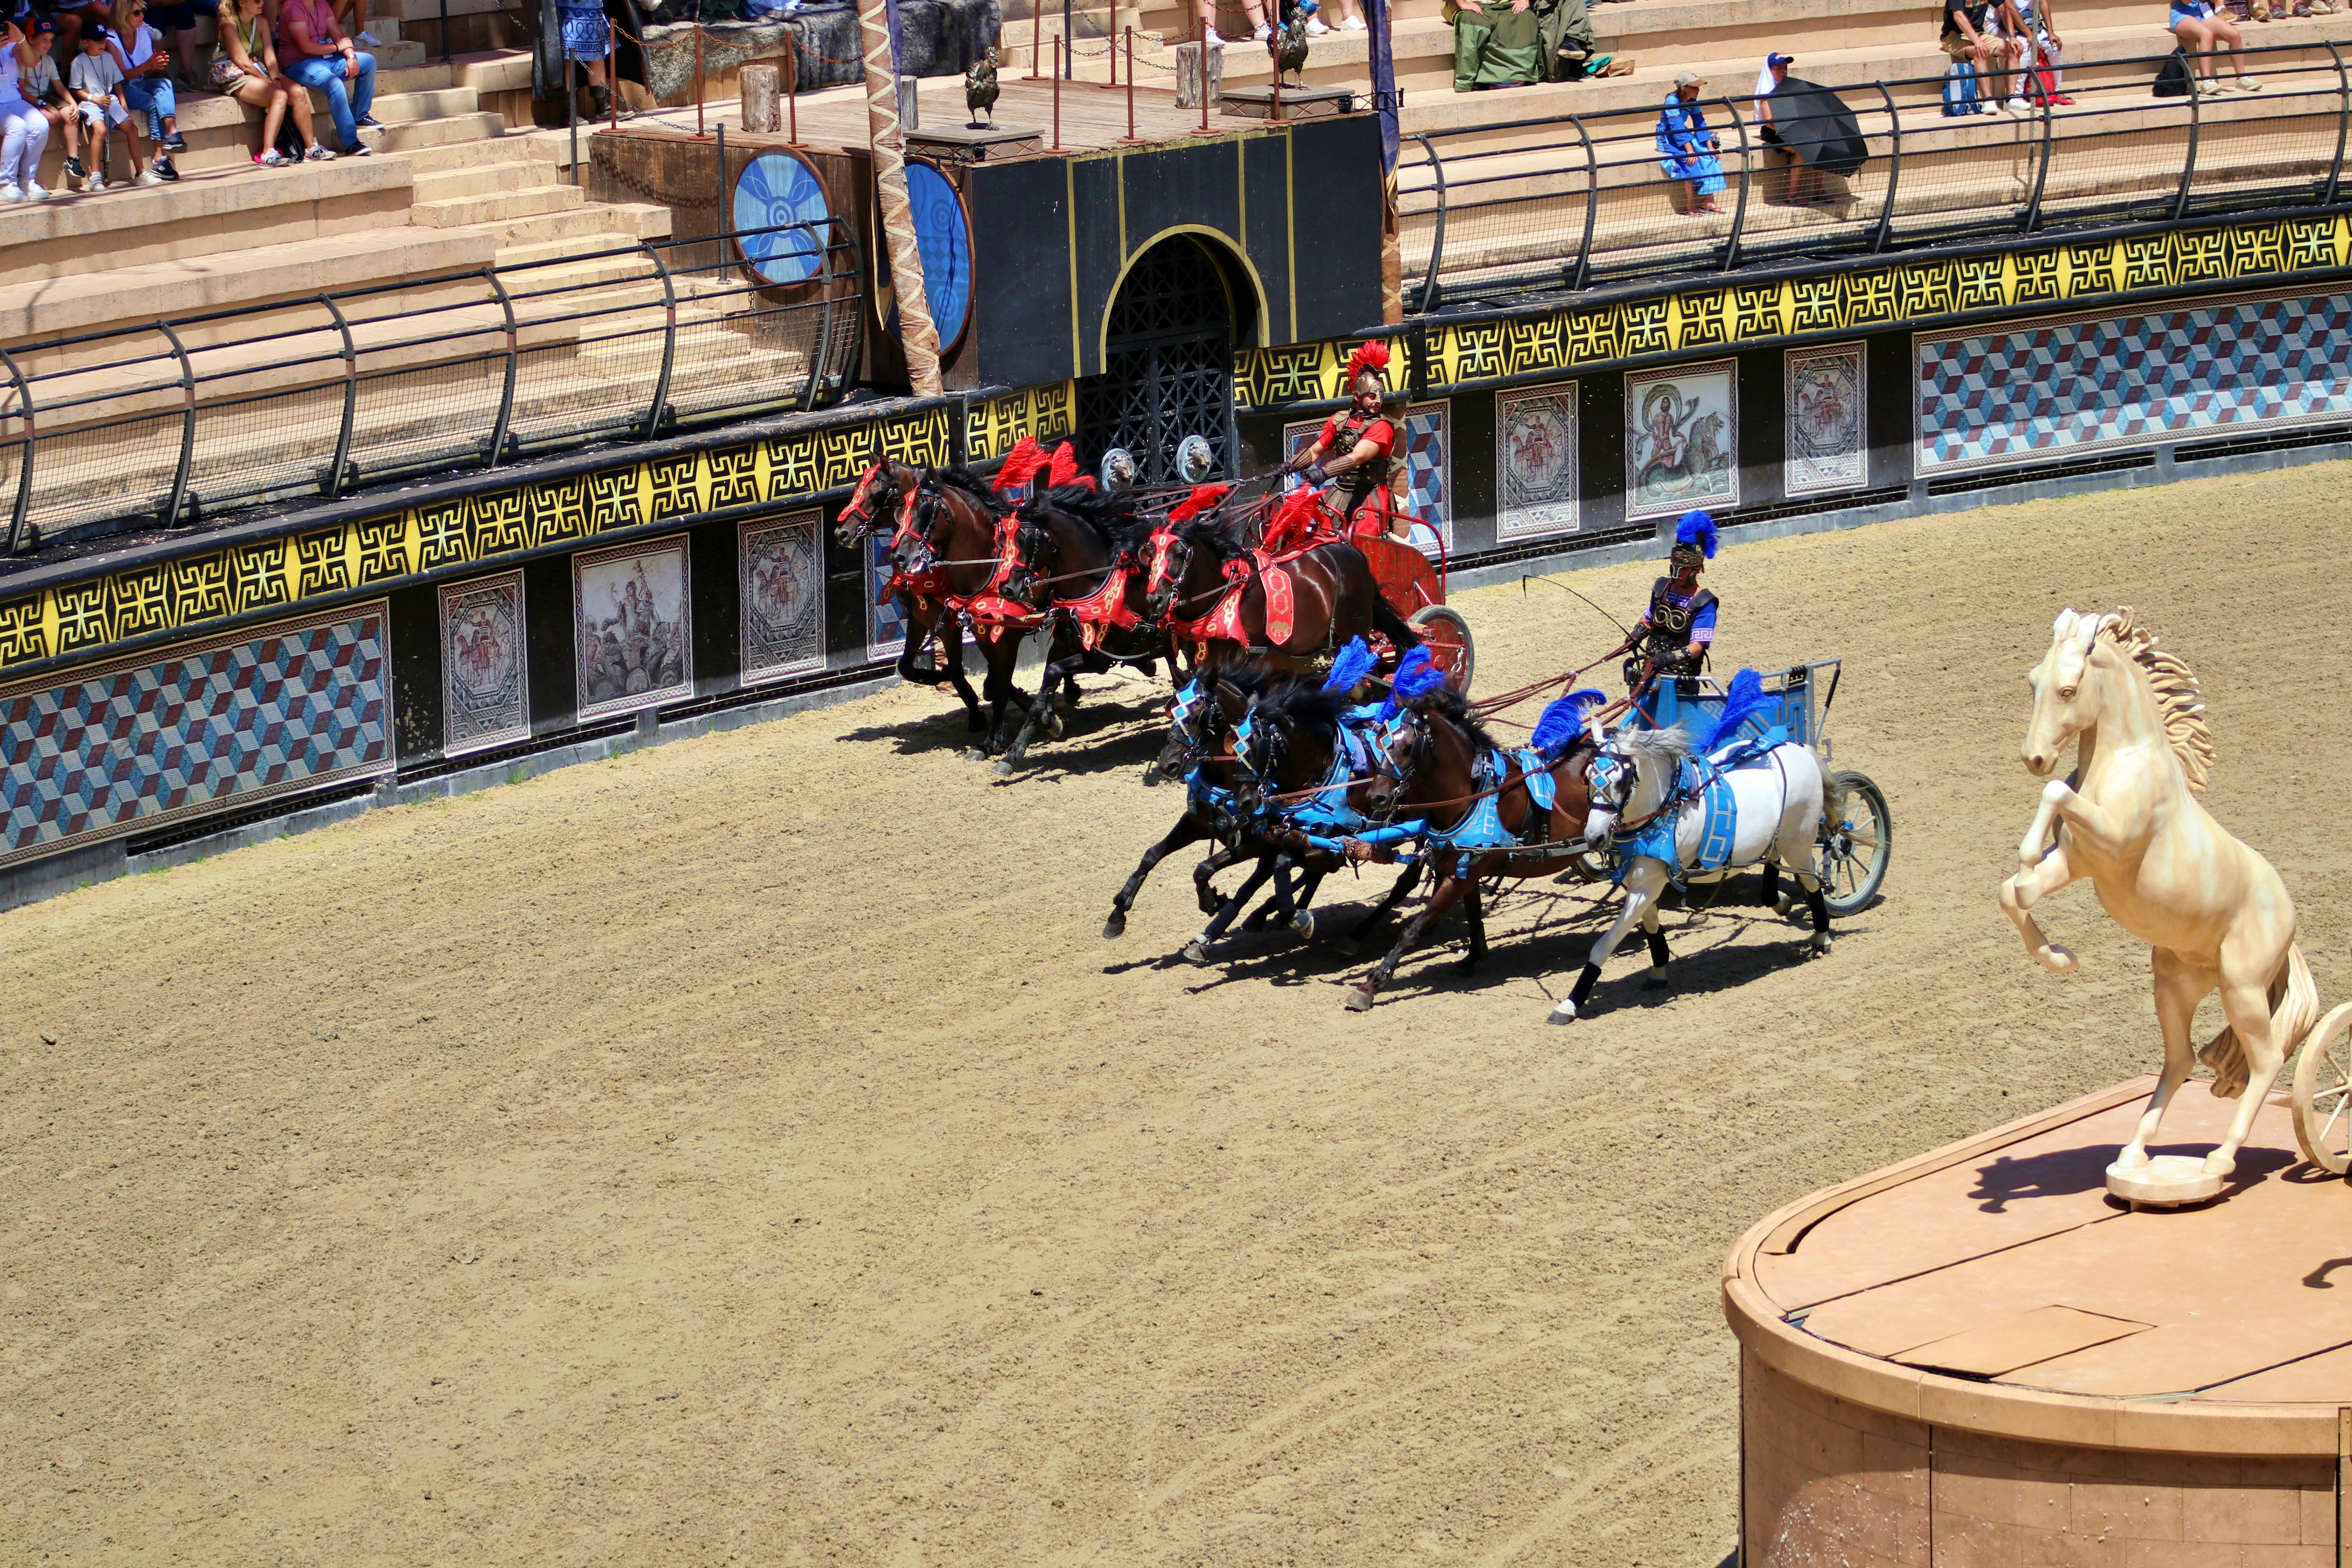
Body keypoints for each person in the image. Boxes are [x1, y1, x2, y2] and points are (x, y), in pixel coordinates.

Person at [1282, 340, 1408, 533]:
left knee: (1363, 549)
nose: (1377, 401)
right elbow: (1317, 450)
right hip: (1340, 492)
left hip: (1369, 497)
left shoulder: (1381, 426)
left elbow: (1357, 457)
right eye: (1372, 396)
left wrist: (1323, 473)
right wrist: (1291, 465)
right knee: (1324, 542)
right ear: (1358, 396)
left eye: (1380, 396)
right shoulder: (1339, 420)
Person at [1614, 510, 1719, 701]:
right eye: (1674, 567)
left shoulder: (1704, 603)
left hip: (1680, 682)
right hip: (1649, 671)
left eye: (1684, 569)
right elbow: (1649, 618)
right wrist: (1636, 634)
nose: (1677, 574)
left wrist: (1669, 658)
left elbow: (1698, 646)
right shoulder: (1662, 588)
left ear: (1697, 570)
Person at [212, 0, 327, 163]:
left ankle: (311, 148)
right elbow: (243, 62)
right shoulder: (229, 26)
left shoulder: (261, 22)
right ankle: (268, 152)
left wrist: (276, 78)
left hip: (260, 69)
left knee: (298, 93)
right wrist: (269, 82)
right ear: (243, 3)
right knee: (279, 96)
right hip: (237, 75)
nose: (263, 3)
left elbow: (270, 55)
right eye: (257, 1)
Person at [277, 0, 374, 152]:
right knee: (335, 84)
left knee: (368, 61)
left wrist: (352, 57)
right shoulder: (293, 7)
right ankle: (351, 143)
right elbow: (306, 47)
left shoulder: (322, 4)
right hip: (300, 64)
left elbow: (338, 35)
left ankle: (360, 114)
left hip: (326, 58)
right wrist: (336, 47)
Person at [70, 22, 150, 185]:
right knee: (100, 130)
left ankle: (141, 172)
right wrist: (95, 99)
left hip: (110, 100)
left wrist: (123, 101)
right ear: (86, 42)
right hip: (91, 102)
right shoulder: (79, 62)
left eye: (104, 40)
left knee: (132, 129)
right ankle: (96, 176)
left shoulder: (108, 57)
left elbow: (117, 83)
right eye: (98, 41)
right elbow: (75, 90)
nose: (102, 44)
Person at [107, 0, 181, 170]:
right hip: (119, 88)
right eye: (137, 13)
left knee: (165, 83)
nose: (142, 16)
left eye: (143, 11)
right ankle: (159, 157)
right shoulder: (111, 40)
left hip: (139, 81)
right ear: (122, 16)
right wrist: (148, 66)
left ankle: (172, 132)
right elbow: (120, 77)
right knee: (152, 103)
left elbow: (147, 72)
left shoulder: (142, 33)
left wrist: (156, 66)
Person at [1752, 52, 1824, 201]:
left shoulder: (1790, 85)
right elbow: (1768, 122)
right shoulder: (1766, 91)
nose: (1784, 71)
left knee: (1821, 144)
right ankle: (1792, 194)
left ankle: (1819, 191)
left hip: (1793, 126)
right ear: (1770, 70)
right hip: (1774, 131)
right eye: (1779, 68)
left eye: (1785, 68)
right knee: (1803, 150)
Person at [1657, 70, 1724, 215]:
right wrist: (1690, 150)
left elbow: (1700, 122)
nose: (1698, 90)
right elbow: (1677, 128)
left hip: (1683, 135)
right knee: (1691, 162)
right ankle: (1690, 205)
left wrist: (1710, 146)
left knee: (1710, 156)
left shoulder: (1694, 101)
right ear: (1684, 88)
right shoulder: (1672, 101)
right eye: (1694, 87)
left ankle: (1707, 202)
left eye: (1698, 87)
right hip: (1667, 138)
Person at [21, 20, 78, 191]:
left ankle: (73, 160)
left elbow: (59, 86)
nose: (49, 44)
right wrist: (44, 104)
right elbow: (22, 92)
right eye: (44, 39)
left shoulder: (49, 60)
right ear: (30, 39)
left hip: (46, 97)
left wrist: (73, 102)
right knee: (47, 118)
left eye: (51, 40)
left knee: (71, 113)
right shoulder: (22, 60)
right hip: (30, 100)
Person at [1942, 0, 2025, 116]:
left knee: (2014, 50)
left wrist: (2012, 36)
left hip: (1979, 33)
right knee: (1980, 51)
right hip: (1954, 36)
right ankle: (1988, 100)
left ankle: (2011, 99)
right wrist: (1977, 42)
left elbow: (2004, 9)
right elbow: (1958, 16)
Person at [0, 15, 49, 198]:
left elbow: (31, 62)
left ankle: (26, 180)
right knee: (17, 127)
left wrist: (20, 39)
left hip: (13, 97)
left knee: (40, 125)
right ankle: (6, 183)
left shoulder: (11, 44)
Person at [1448, 0, 1542, 91]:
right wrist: (1464, 4)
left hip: (1500, 5)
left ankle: (1517, 77)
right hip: (1463, 5)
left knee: (1525, 16)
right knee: (1473, 23)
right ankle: (1480, 80)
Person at [2169, 0, 2260, 92]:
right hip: (2182, 16)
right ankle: (2206, 81)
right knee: (2206, 35)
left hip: (2202, 13)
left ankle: (2241, 78)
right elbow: (2186, 2)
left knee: (2234, 35)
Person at [1992, 0, 2069, 104]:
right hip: (2003, 23)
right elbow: (2010, 8)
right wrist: (2029, 34)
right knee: (2023, 48)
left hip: (2028, 21)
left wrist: (2051, 33)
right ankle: (2017, 96)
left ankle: (2057, 91)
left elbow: (2043, 3)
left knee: (2054, 47)